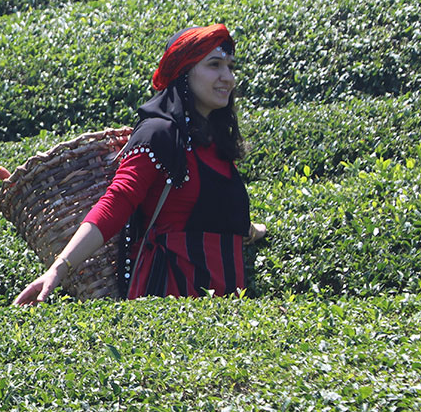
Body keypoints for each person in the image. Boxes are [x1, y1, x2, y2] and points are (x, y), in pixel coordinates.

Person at [14, 24, 266, 306]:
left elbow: (218, 215)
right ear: (184, 71)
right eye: (214, 65)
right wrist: (59, 268)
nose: (228, 78)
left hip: (225, 304)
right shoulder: (159, 133)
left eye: (230, 67)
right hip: (172, 299)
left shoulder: (215, 144)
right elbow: (118, 201)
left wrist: (254, 230)